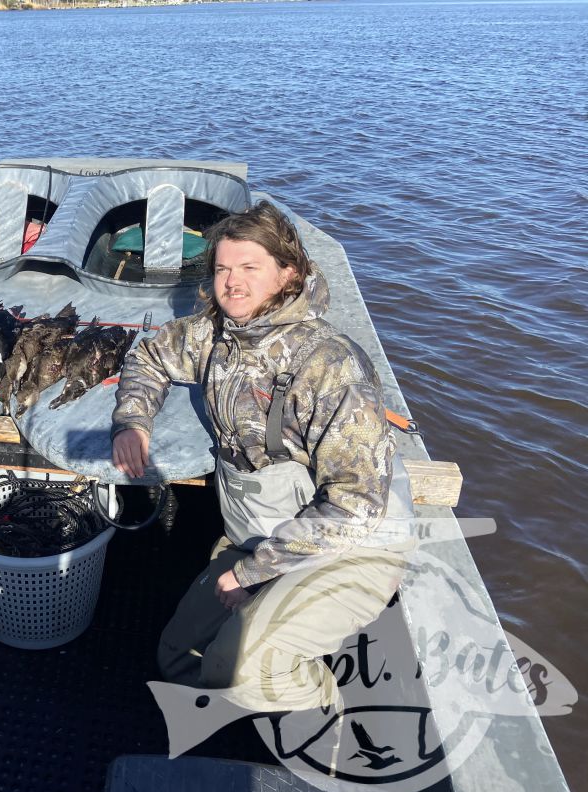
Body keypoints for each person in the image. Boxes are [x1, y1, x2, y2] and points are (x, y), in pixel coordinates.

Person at [111, 201, 415, 714]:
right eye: (224, 268)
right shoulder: (215, 335)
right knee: (178, 660)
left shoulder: (330, 364)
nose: (232, 281)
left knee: (244, 667)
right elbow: (149, 355)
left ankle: (328, 721)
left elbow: (355, 507)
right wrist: (133, 422)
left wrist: (253, 572)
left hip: (350, 551)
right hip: (257, 534)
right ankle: (250, 684)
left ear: (288, 273)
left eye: (250, 267)